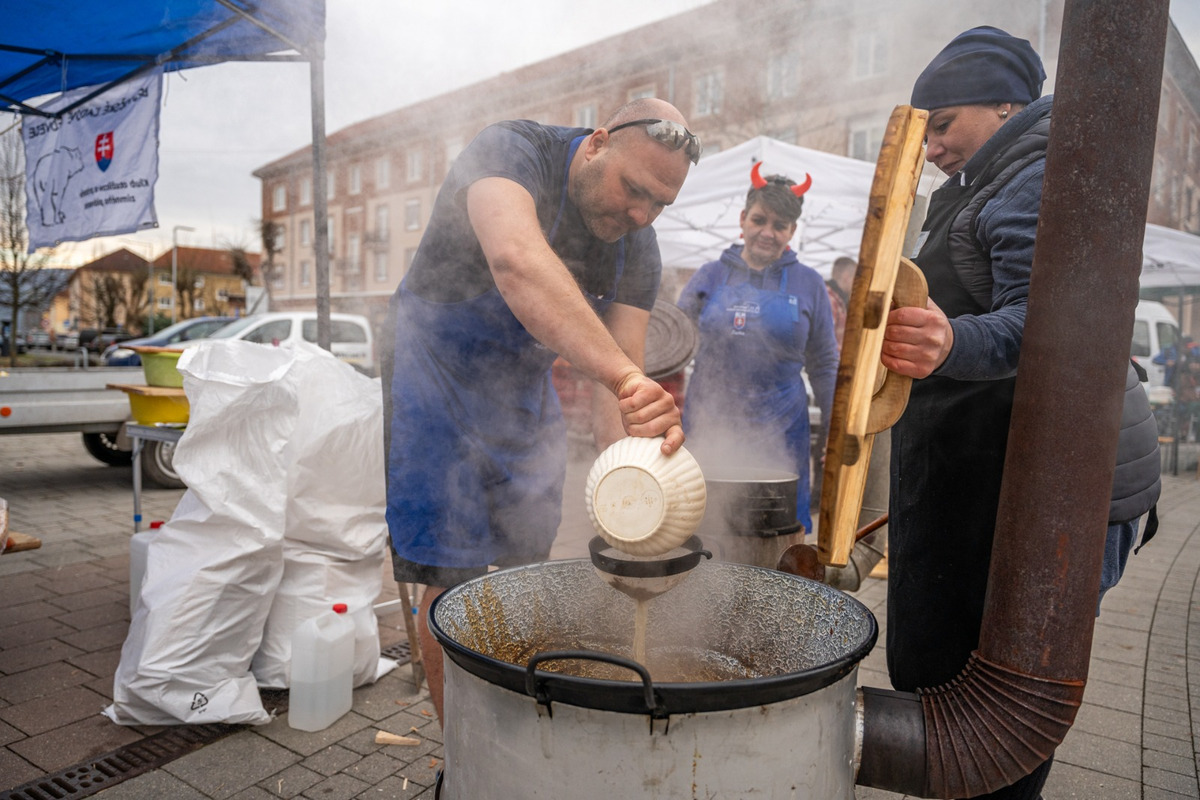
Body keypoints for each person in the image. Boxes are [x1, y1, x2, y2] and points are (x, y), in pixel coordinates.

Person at [879, 27, 1160, 799]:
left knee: (1007, 696)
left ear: (1005, 103)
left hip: (1052, 488)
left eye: (944, 124)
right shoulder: (983, 182)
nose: (932, 145)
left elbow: (1053, 327)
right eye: (925, 128)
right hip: (988, 472)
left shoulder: (1037, 177)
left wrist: (948, 340)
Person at [382, 98, 698, 723]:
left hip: (522, 392)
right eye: (634, 189)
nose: (641, 214)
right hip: (435, 381)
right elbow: (517, 263)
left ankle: (515, 729)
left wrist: (636, 487)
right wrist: (628, 378)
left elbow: (621, 382)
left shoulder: (638, 246)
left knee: (527, 563)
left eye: (660, 204)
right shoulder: (510, 150)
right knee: (454, 572)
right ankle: (465, 758)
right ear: (598, 142)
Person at [676, 163, 838, 535]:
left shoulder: (810, 283)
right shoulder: (710, 274)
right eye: (759, 220)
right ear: (743, 219)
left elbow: (826, 364)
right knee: (703, 527)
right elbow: (674, 344)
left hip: (780, 428)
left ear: (792, 231)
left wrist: (834, 430)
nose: (767, 233)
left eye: (779, 226)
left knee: (775, 532)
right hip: (710, 420)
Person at [825, 256, 856, 351]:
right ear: (847, 276)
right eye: (855, 278)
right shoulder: (829, 299)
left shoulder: (837, 300)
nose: (856, 284)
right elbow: (825, 341)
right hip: (826, 364)